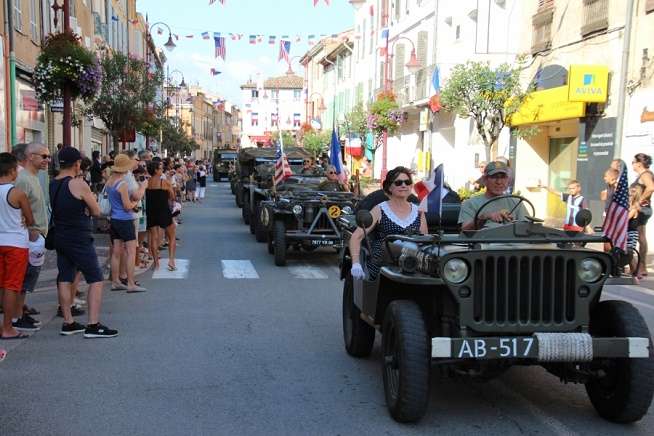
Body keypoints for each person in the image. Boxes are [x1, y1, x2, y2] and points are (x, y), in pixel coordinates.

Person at [50, 147, 118, 338]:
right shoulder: (78, 184)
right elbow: (97, 211)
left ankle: (68, 322)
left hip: (61, 235)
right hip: (78, 236)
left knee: (65, 277)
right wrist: (90, 202)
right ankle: (93, 324)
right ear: (77, 163)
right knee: (96, 278)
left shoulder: (53, 183)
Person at [349, 167, 428, 281]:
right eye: (398, 182)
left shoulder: (419, 211)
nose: (403, 185)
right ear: (390, 187)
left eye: (407, 182)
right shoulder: (380, 209)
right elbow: (356, 237)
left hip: (411, 266)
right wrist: (356, 263)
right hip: (382, 266)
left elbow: (425, 242)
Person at [13, 143, 51, 330]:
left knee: (27, 280)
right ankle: (16, 317)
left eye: (48, 156)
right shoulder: (23, 179)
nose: (47, 160)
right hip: (29, 237)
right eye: (43, 156)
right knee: (23, 279)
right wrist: (31, 233)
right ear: (30, 156)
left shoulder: (33, 177)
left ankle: (19, 313)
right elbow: (16, 208)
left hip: (36, 236)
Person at [0, 153, 35, 339]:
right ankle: (7, 327)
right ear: (12, 171)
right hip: (16, 243)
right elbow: (30, 219)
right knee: (12, 286)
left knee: (1, 284)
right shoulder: (17, 193)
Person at [106, 154, 147, 293]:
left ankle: (115, 281)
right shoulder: (122, 184)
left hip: (114, 219)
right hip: (125, 219)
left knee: (116, 252)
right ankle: (130, 283)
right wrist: (136, 202)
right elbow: (127, 205)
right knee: (131, 251)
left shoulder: (110, 181)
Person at [458, 161, 528, 231]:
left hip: (512, 241)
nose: (499, 182)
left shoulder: (517, 202)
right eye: (494, 177)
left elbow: (527, 229)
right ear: (485, 180)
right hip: (483, 241)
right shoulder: (470, 204)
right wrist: (484, 217)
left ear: (508, 180)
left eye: (503, 177)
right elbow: (466, 231)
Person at [146, 161, 177, 271]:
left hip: (151, 211)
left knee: (154, 238)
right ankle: (171, 260)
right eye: (160, 168)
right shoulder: (164, 182)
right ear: (155, 170)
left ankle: (156, 263)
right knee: (171, 236)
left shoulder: (147, 182)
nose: (162, 169)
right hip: (163, 211)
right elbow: (172, 196)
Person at [631, 153, 654, 275]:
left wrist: (638, 202)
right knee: (640, 236)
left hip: (642, 209)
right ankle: (639, 266)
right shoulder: (644, 174)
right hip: (644, 209)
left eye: (633, 162)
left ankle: (639, 266)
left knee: (638, 236)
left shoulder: (645, 174)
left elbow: (650, 188)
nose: (632, 164)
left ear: (639, 164)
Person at [628, 184, 644, 278]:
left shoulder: (634, 208)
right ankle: (633, 271)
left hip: (632, 233)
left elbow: (626, 218)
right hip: (627, 232)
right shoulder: (630, 207)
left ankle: (637, 272)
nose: (629, 195)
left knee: (630, 253)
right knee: (628, 253)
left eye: (632, 193)